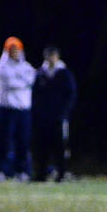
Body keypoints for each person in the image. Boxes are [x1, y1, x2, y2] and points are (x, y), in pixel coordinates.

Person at [0, 36, 36, 181]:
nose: (14, 52)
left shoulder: (27, 67)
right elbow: (8, 83)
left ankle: (21, 171)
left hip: (23, 110)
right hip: (6, 109)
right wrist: (22, 83)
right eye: (11, 49)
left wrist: (19, 82)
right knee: (3, 142)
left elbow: (31, 80)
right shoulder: (0, 66)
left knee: (22, 142)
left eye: (17, 49)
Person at [31, 45, 77, 182]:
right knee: (41, 146)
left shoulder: (64, 74)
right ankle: (41, 174)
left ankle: (61, 174)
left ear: (57, 57)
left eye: (53, 56)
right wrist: (36, 111)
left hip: (58, 117)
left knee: (59, 147)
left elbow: (71, 95)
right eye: (48, 56)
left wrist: (64, 112)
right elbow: (34, 94)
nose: (50, 59)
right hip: (42, 117)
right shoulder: (40, 73)